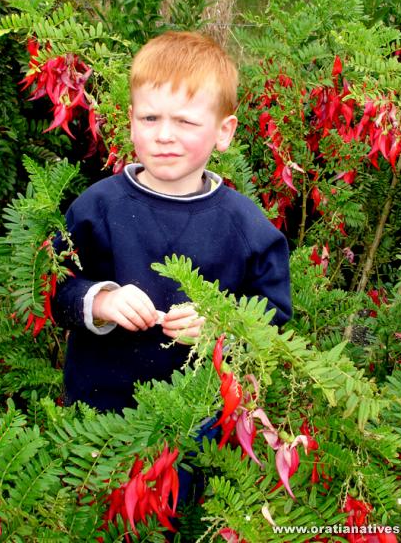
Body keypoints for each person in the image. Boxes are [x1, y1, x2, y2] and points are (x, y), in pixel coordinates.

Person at [53, 30, 292, 413]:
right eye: (150, 117)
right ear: (131, 122)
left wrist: (223, 326)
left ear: (223, 132)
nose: (165, 135)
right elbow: (55, 288)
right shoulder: (97, 207)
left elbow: (273, 317)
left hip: (202, 420)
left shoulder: (246, 226)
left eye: (185, 122)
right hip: (97, 421)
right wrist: (102, 300)